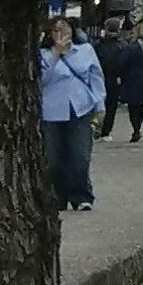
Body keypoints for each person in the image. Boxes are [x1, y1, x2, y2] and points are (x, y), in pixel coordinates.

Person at [39, 11, 103, 212]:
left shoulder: (85, 50)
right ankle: (58, 196)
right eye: (56, 31)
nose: (60, 34)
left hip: (80, 106)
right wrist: (56, 54)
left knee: (80, 155)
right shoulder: (42, 55)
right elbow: (42, 80)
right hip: (51, 110)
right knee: (53, 158)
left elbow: (96, 78)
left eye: (64, 30)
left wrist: (100, 106)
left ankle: (82, 195)